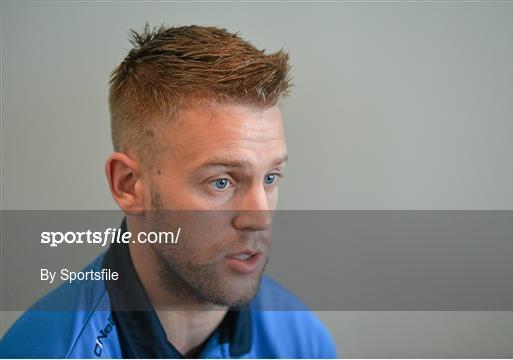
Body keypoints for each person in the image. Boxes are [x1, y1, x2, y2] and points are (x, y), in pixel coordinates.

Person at [1, 24, 337, 358]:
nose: (259, 218)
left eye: (270, 177)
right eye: (222, 181)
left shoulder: (301, 341)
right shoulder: (48, 350)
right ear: (129, 185)